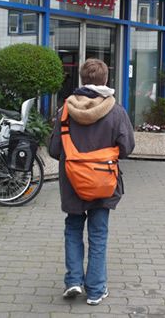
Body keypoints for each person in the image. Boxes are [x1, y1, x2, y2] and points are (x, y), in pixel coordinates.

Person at [49, 58, 135, 305]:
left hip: (73, 183)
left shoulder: (64, 110)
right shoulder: (116, 111)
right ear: (105, 80)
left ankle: (73, 281)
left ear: (81, 79)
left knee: (73, 229)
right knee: (98, 234)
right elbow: (127, 147)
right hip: (103, 183)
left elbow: (55, 149)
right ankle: (96, 290)